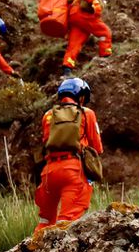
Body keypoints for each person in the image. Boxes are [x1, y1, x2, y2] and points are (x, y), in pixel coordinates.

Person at [34, 77, 104, 231]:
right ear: (81, 96)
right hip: (73, 171)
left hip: (48, 173)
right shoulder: (87, 113)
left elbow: (46, 141)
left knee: (45, 221)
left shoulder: (48, 116)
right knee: (67, 223)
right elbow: (97, 148)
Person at [63, 0, 117, 69]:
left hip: (75, 17)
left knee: (74, 44)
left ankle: (67, 69)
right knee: (105, 33)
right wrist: (95, 2)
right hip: (81, 14)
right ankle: (105, 58)